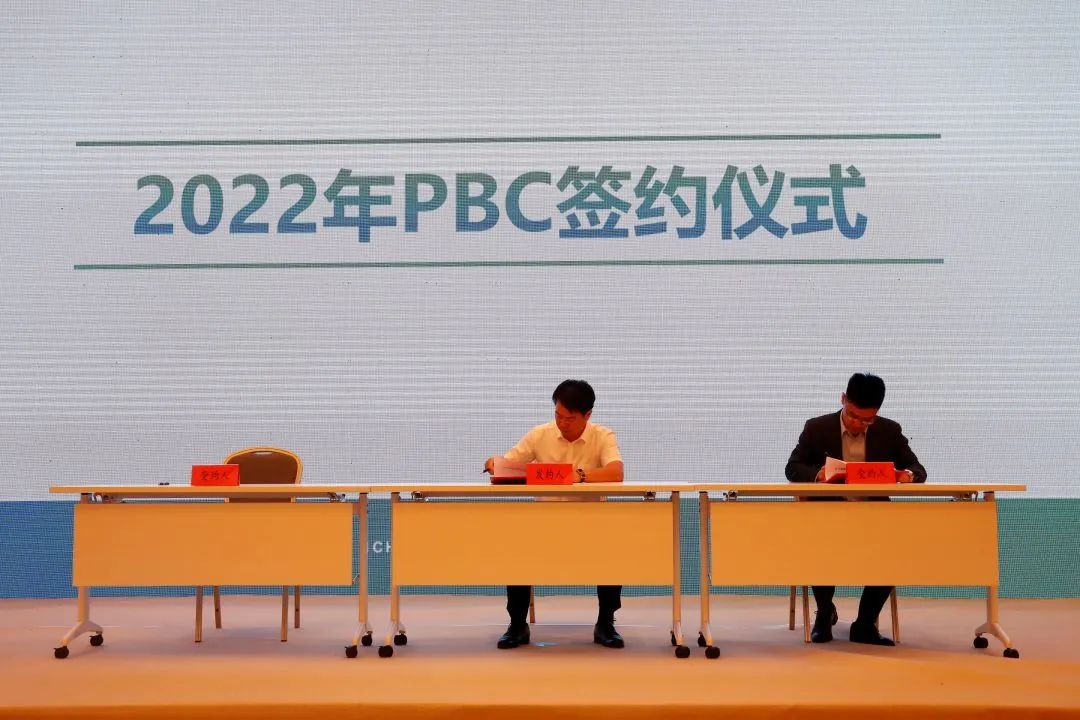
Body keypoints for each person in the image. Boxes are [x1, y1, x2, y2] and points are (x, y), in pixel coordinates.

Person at [785, 372, 927, 646]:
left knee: (895, 552)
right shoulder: (817, 428)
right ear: (843, 400)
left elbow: (917, 468)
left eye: (866, 420)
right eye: (852, 416)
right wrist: (818, 474)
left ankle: (864, 624)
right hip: (827, 518)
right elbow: (792, 467)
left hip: (875, 519)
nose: (857, 424)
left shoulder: (889, 431)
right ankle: (824, 614)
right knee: (819, 546)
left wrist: (907, 475)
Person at [484, 379, 626, 650]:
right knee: (517, 548)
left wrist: (579, 475)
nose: (562, 423)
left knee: (613, 548)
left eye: (569, 419)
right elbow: (509, 463)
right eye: (558, 415)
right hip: (545, 522)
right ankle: (517, 624)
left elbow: (616, 472)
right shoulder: (540, 434)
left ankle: (606, 623)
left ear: (587, 415)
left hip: (592, 523)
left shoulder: (603, 435)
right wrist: (495, 463)